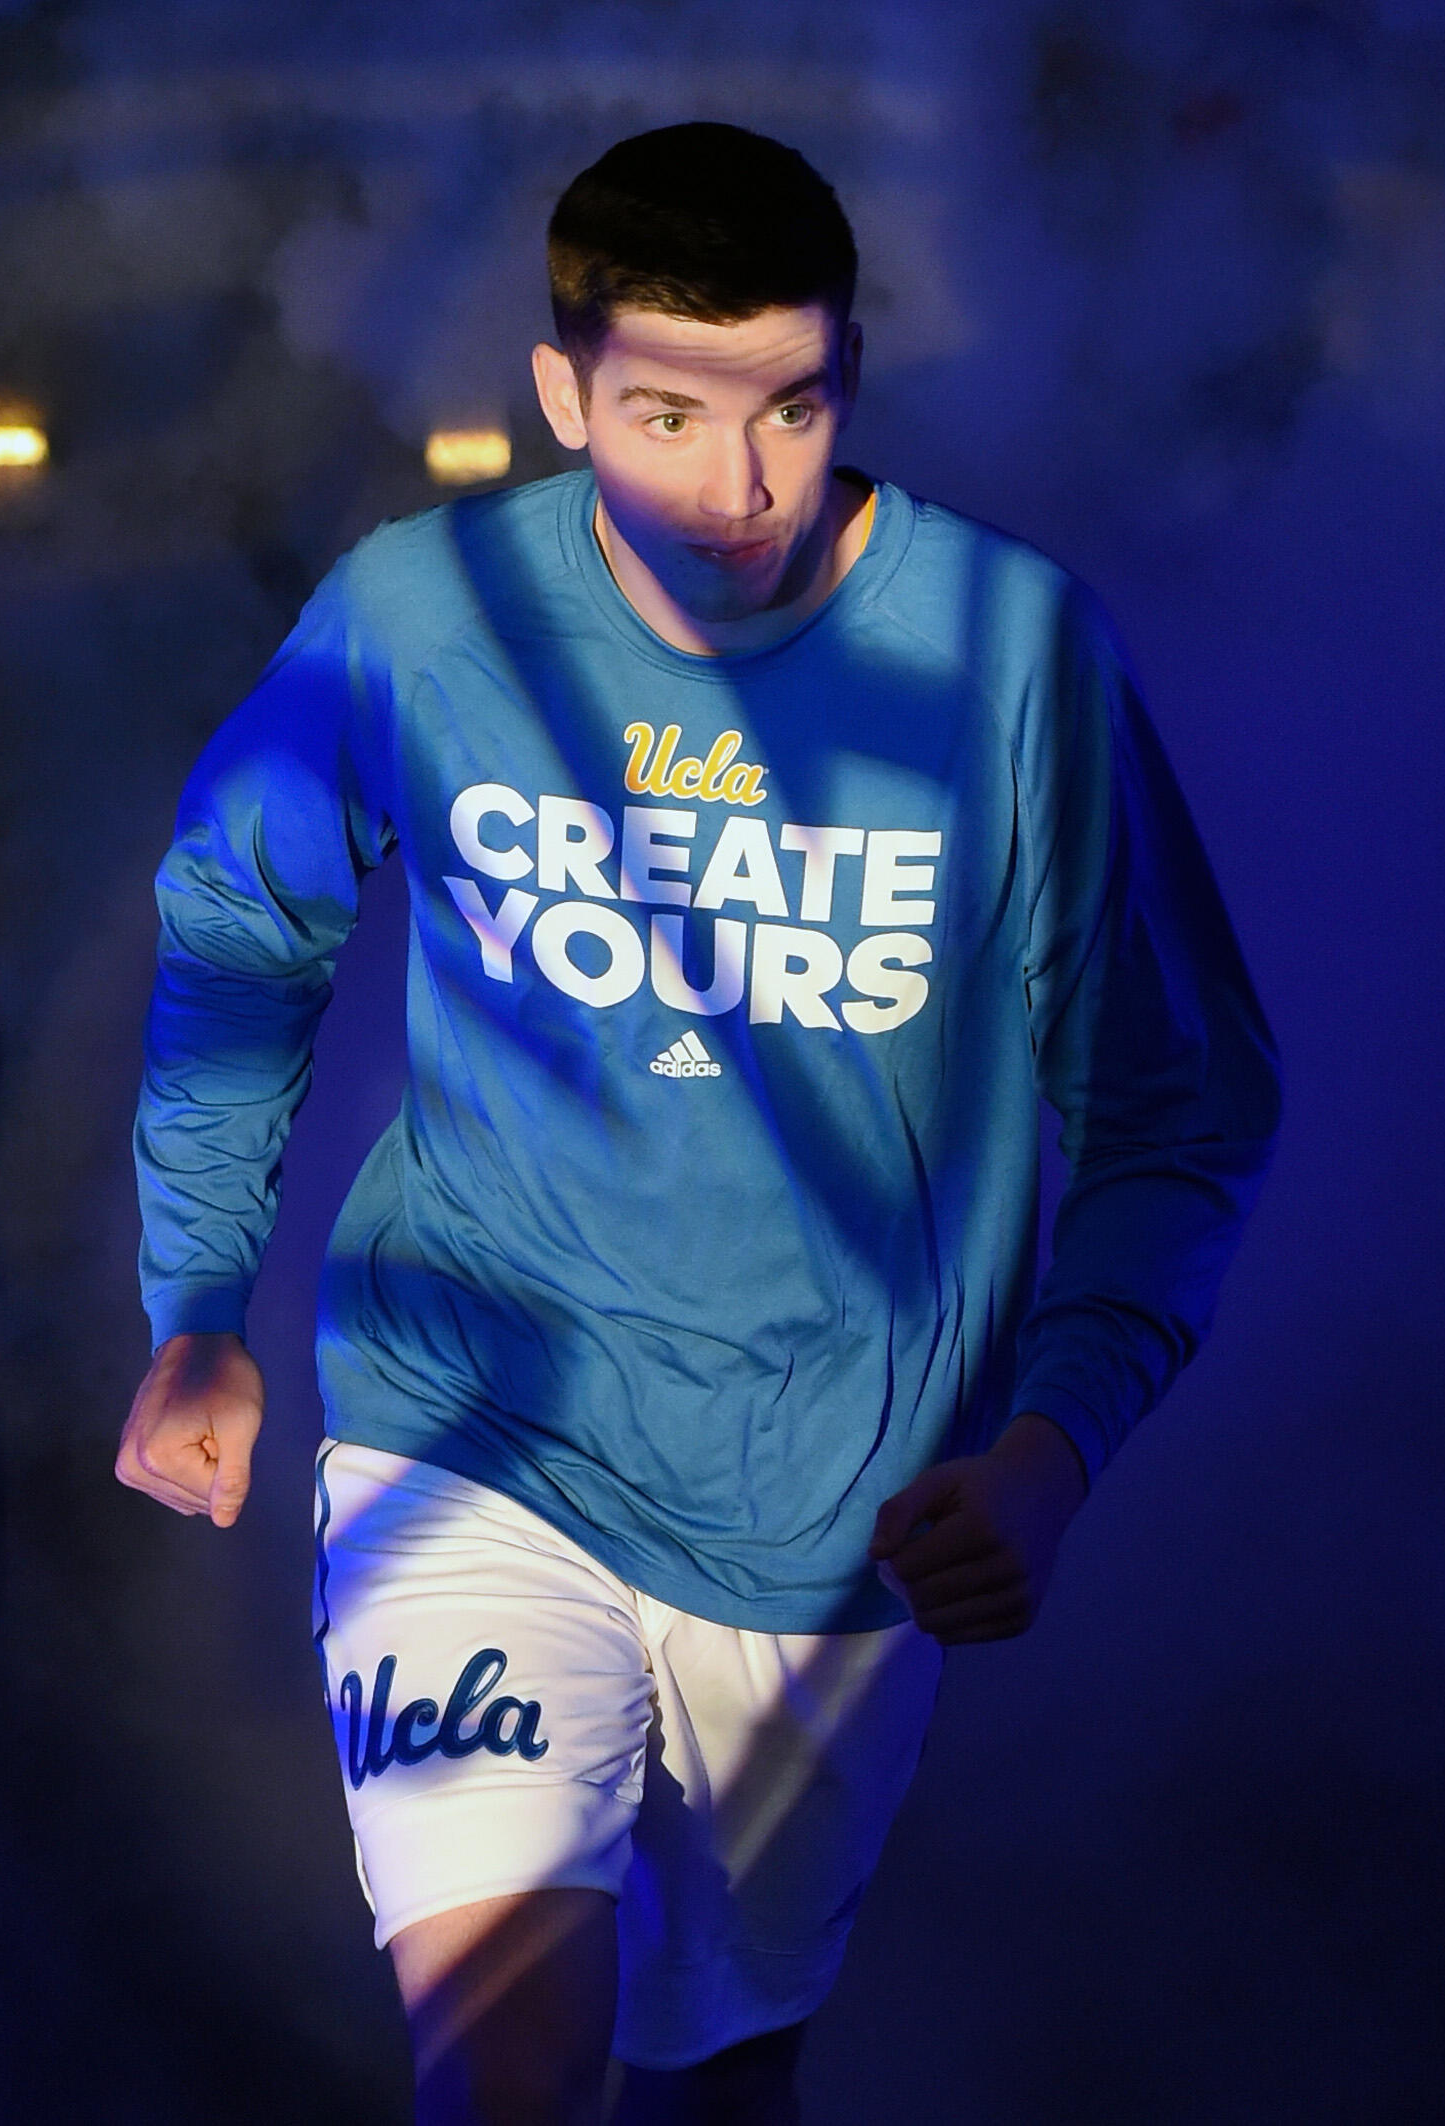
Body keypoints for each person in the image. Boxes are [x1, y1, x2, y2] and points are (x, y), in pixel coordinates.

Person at [115, 121, 1278, 2125]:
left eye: (796, 412)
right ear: (561, 393)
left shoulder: (1009, 657)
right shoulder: (424, 613)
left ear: (848, 383)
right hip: (468, 1429)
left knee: (721, 2063)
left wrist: (1052, 1446)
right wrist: (199, 1295)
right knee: (508, 2069)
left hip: (834, 1519)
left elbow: (1182, 1109)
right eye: (664, 412)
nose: (739, 488)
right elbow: (240, 914)